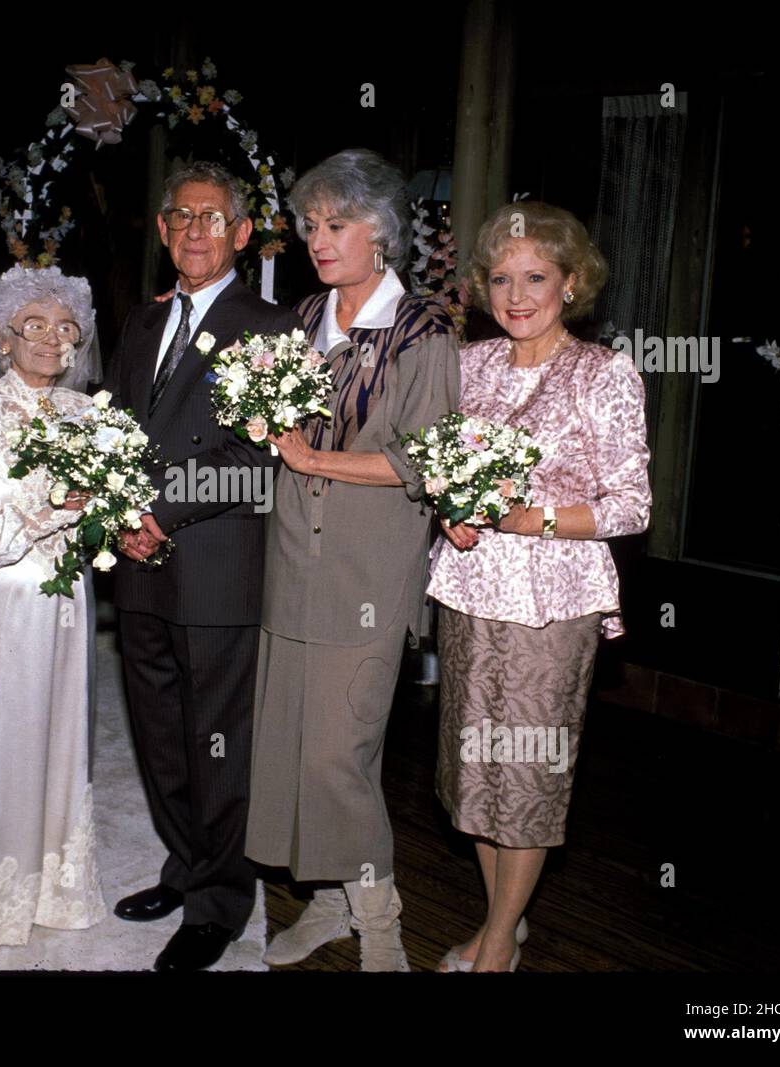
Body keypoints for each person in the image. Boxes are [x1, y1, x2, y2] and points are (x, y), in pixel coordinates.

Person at [244, 149, 461, 971]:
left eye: (337, 224)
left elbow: (429, 460)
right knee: (298, 746)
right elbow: (270, 419)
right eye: (308, 225)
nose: (318, 238)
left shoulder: (425, 330)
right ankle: (331, 901)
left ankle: (381, 924)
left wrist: (313, 459)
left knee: (342, 756)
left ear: (382, 233)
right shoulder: (302, 322)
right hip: (292, 565)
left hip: (370, 574)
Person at [429, 200, 651, 971]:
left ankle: (496, 945)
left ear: (571, 282)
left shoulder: (604, 372)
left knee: (526, 772)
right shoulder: (468, 365)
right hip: (468, 592)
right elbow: (445, 475)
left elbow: (632, 503)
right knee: (477, 772)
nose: (516, 295)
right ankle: (503, 922)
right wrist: (451, 512)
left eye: (535, 277)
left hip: (554, 605)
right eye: (500, 278)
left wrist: (536, 519)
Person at [106, 161, 302, 971]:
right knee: (158, 734)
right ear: (162, 230)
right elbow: (112, 431)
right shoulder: (141, 324)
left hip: (217, 564)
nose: (194, 230)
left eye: (212, 218)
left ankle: (220, 900)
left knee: (216, 740)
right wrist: (118, 514)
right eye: (181, 216)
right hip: (138, 560)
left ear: (242, 233)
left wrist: (160, 513)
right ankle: (185, 867)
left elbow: (255, 453)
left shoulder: (270, 325)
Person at [0, 265, 107, 950]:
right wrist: (52, 509)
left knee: (62, 723)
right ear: (2, 340)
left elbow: (103, 511)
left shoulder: (87, 413)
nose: (50, 338)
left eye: (64, 328)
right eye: (32, 326)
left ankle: (57, 878)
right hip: (1, 595)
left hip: (68, 593)